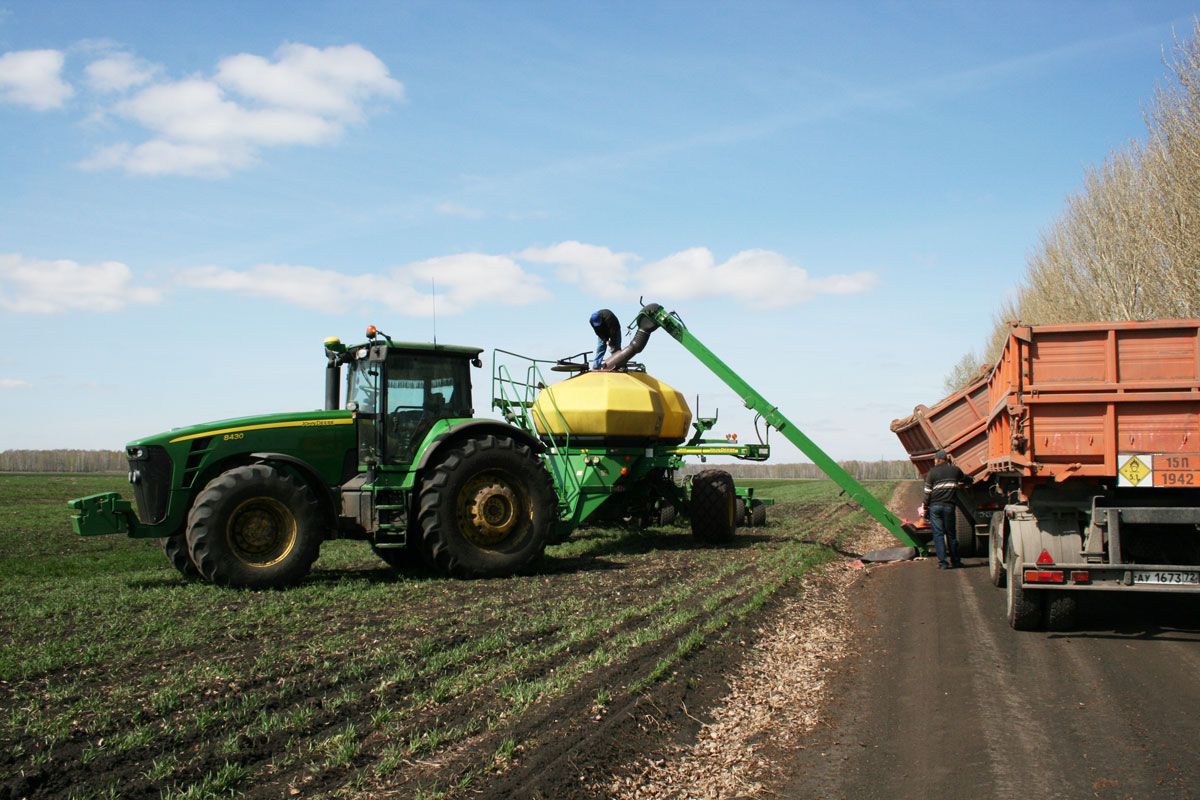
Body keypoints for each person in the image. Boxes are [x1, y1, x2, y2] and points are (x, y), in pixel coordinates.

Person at [923, 450, 966, 569]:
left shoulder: (932, 473)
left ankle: (943, 563)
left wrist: (925, 506)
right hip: (949, 506)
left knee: (938, 534)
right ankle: (956, 561)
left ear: (937, 460)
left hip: (935, 507)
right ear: (946, 460)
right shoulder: (955, 470)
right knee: (951, 534)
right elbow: (964, 479)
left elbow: (927, 493)